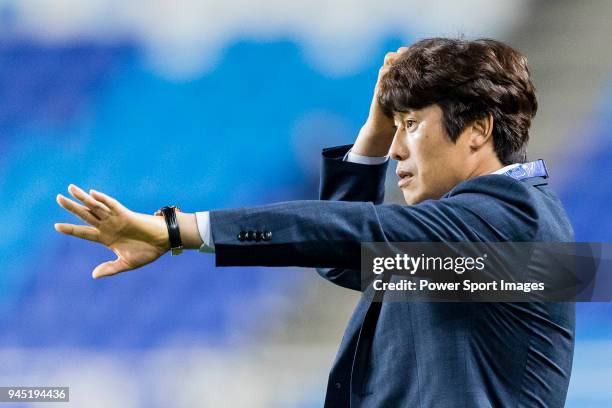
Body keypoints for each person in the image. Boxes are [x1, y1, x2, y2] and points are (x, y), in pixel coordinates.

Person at [55, 38, 575, 407]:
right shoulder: (472, 243)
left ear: (479, 129)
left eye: (412, 126)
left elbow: (353, 233)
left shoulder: (514, 220)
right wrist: (375, 129)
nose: (396, 150)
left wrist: (177, 230)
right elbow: (342, 260)